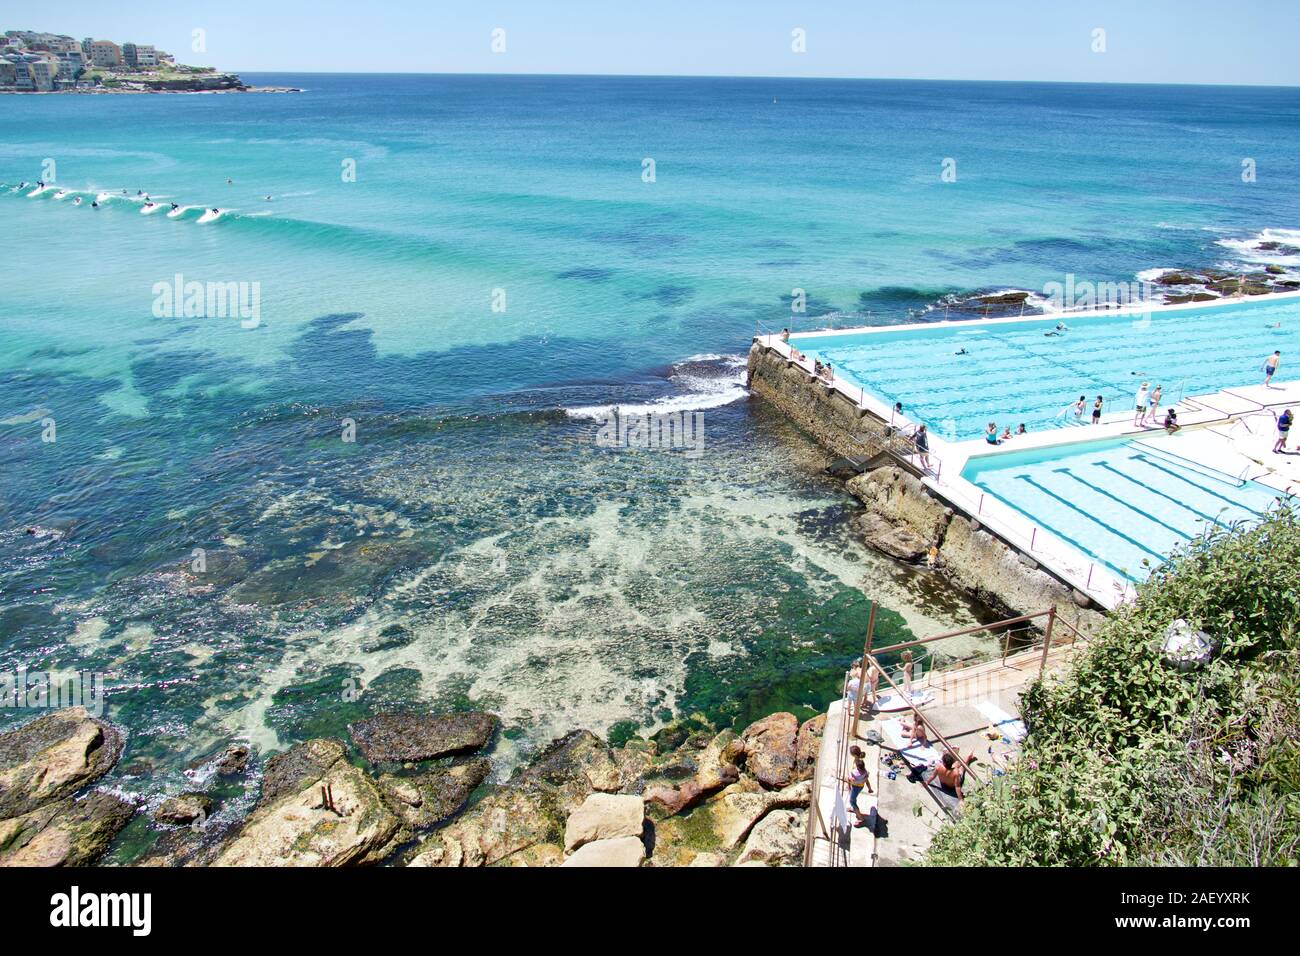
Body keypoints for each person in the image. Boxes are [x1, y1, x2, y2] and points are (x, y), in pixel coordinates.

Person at [843, 757, 874, 827]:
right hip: (860, 786)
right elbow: (866, 781)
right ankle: (853, 808)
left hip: (855, 787)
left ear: (858, 767)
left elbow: (849, 778)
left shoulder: (855, 773)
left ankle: (861, 818)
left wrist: (849, 781)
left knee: (852, 801)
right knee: (853, 798)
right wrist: (869, 788)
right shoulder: (865, 772)